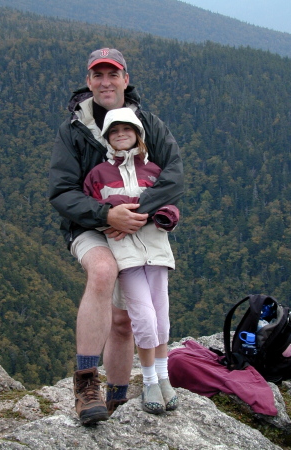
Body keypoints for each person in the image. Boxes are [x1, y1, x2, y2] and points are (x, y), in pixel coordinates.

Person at [48, 48, 184, 425]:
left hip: (137, 225)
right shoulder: (73, 130)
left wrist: (137, 213)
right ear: (88, 82)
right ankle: (86, 384)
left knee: (125, 320)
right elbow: (61, 192)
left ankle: (117, 398)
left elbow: (173, 174)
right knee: (104, 272)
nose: (105, 82)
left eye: (113, 74)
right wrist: (106, 214)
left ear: (126, 79)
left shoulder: (148, 124)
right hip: (89, 225)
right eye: (98, 76)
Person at [83, 107, 179, 414]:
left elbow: (169, 204)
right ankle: (149, 380)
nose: (120, 134)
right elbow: (90, 210)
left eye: (127, 129)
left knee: (161, 318)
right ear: (107, 139)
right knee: (144, 319)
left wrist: (165, 217)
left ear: (138, 134)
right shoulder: (98, 174)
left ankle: (164, 379)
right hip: (126, 258)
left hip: (158, 252)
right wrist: (106, 221)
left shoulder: (153, 170)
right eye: (113, 131)